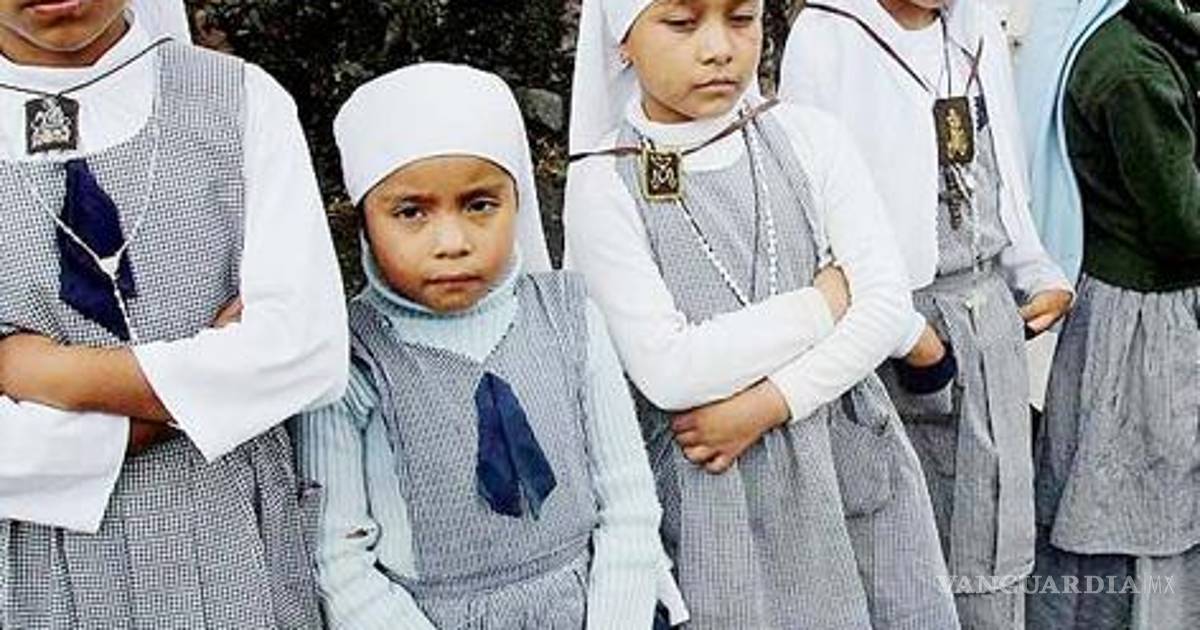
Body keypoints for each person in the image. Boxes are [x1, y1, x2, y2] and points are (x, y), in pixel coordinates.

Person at [566, 0, 957, 627]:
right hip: (714, 491)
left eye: (741, 19)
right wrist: (824, 303)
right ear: (622, 41)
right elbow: (670, 370)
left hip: (844, 459)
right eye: (682, 23)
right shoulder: (603, 186)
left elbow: (884, 307)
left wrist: (765, 405)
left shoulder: (811, 138)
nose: (719, 49)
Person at [296, 61, 685, 630]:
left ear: (516, 201)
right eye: (411, 212)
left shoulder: (570, 319)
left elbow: (627, 504)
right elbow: (339, 560)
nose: (452, 242)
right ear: (363, 222)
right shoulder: (351, 359)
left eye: (479, 204)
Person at [0, 1, 347, 627]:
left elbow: (303, 349)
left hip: (229, 532)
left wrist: (56, 376)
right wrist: (199, 389)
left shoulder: (239, 100)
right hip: (34, 559)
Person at [781, 1, 1074, 627]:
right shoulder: (829, 35)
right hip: (896, 337)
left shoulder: (972, 27)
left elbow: (999, 175)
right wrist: (916, 342)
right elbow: (816, 224)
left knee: (994, 551)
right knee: (908, 559)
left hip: (987, 327)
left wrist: (1038, 272)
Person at [1019, 0, 1200, 627]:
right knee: (1141, 514)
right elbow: (1183, 226)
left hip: (1113, 312)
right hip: (1145, 326)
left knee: (1107, 503)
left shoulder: (1107, 36)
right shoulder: (1130, 68)